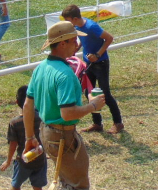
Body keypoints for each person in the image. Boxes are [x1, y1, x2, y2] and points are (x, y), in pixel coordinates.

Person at [22, 22, 105, 190]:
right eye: (74, 41)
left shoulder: (40, 68)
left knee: (66, 180)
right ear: (62, 44)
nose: (77, 45)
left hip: (46, 133)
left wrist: (29, 138)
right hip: (62, 137)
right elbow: (67, 113)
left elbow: (27, 106)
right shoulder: (65, 74)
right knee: (77, 185)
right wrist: (93, 106)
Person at [62, 5, 124, 134]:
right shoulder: (77, 26)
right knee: (88, 92)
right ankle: (97, 123)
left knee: (105, 94)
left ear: (74, 18)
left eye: (67, 20)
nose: (66, 23)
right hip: (88, 63)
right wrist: (77, 48)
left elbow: (109, 38)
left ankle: (118, 123)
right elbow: (84, 39)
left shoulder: (91, 26)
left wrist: (97, 54)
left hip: (100, 63)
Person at [1, 85, 47, 190]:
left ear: (17, 102)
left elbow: (13, 144)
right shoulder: (42, 117)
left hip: (23, 161)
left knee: (16, 185)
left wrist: (8, 161)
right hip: (40, 158)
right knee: (37, 186)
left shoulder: (15, 123)